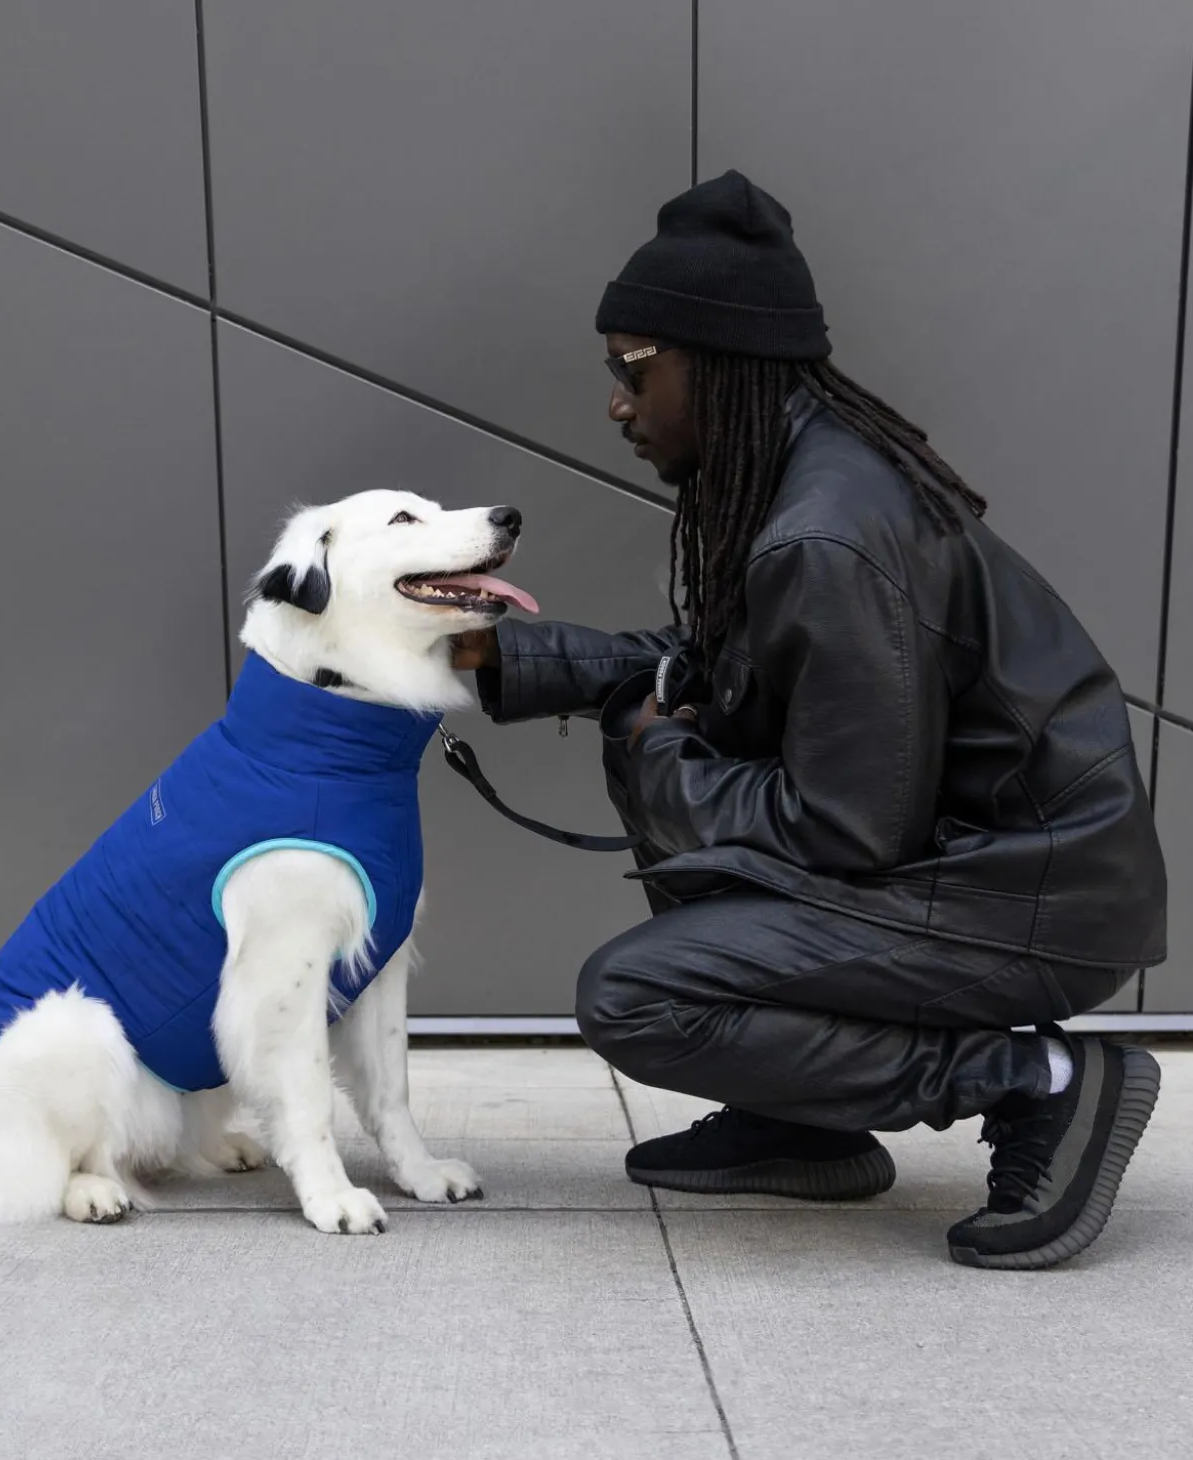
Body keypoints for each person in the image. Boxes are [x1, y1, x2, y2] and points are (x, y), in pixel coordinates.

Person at [451, 171, 1166, 1269]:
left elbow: (843, 826)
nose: (615, 403)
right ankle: (804, 1119)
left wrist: (660, 761)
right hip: (987, 864)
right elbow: (719, 679)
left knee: (634, 995)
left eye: (632, 370)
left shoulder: (820, 535)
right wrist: (514, 657)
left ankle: (1038, 1082)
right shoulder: (796, 481)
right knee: (663, 728)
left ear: (721, 361)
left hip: (1030, 893)